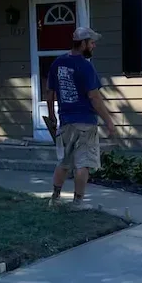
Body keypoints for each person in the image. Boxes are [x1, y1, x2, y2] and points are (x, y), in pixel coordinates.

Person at [46, 26, 115, 209]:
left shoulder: (57, 64)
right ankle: (78, 202)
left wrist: (52, 117)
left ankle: (54, 198)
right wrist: (109, 121)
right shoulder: (86, 66)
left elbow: (50, 92)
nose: (94, 46)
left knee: (64, 162)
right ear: (82, 43)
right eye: (91, 43)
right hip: (85, 122)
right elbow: (94, 97)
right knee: (83, 164)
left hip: (66, 122)